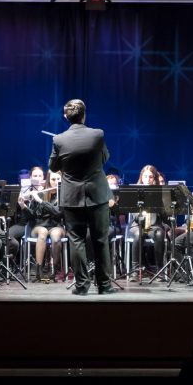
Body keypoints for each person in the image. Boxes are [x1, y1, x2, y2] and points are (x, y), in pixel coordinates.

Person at [49, 99, 116, 296]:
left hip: (72, 197)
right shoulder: (98, 134)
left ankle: (81, 286)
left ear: (65, 117)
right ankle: (104, 286)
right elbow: (105, 158)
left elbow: (53, 167)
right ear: (84, 114)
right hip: (97, 194)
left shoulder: (59, 140)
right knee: (100, 240)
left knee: (76, 241)